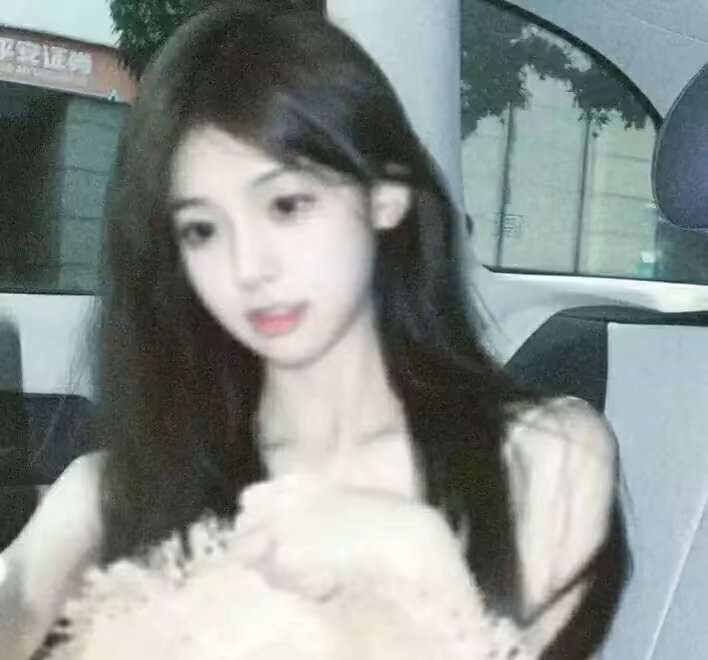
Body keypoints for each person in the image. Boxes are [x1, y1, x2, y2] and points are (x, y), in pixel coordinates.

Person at [0, 4, 628, 659]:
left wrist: (420, 561)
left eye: (287, 204)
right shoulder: (113, 492)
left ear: (384, 196)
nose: (248, 267)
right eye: (202, 229)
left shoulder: (541, 458)